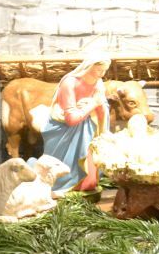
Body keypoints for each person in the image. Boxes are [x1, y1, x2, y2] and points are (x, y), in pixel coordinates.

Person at [42, 53, 111, 193]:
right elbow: (71, 119)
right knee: (64, 171)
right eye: (99, 70)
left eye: (105, 70)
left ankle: (84, 183)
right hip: (63, 131)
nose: (102, 74)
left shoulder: (98, 83)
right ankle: (65, 184)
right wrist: (92, 104)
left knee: (89, 181)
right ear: (89, 66)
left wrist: (96, 105)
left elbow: (102, 106)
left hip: (87, 128)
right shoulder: (70, 82)